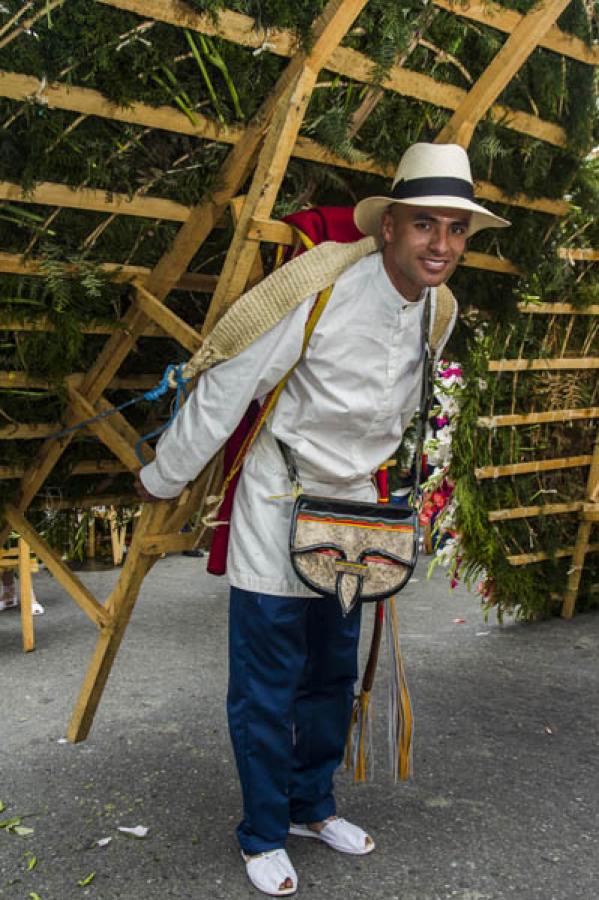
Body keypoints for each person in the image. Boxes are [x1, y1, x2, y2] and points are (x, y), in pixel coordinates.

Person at [137, 143, 509, 897]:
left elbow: (402, 408)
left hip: (357, 514)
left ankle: (311, 806)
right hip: (278, 504)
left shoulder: (438, 310)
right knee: (267, 682)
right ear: (388, 228)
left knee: (333, 675)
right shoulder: (317, 289)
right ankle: (263, 832)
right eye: (424, 226)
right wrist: (162, 476)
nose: (440, 246)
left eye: (456, 230)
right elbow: (230, 384)